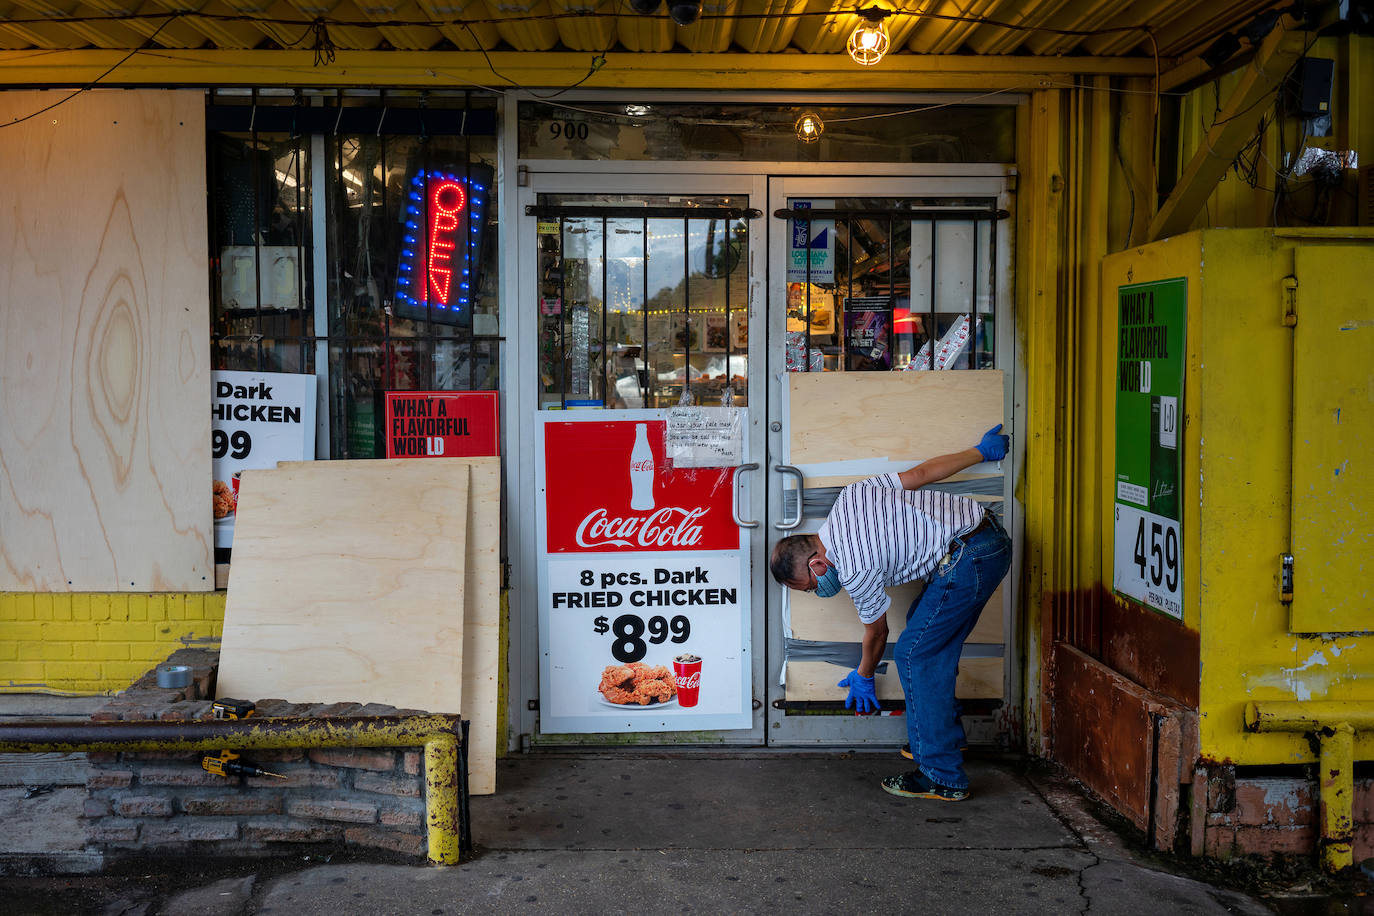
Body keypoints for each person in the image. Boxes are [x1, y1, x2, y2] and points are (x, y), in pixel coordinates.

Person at [769, 424, 1012, 802]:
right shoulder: (851, 498)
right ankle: (939, 741)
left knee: (916, 653)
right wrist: (980, 452)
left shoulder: (853, 567)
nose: (820, 593)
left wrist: (864, 674)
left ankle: (942, 776)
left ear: (817, 565)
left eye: (811, 587)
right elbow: (921, 474)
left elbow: (877, 634)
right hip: (985, 535)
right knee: (927, 635)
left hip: (970, 557)